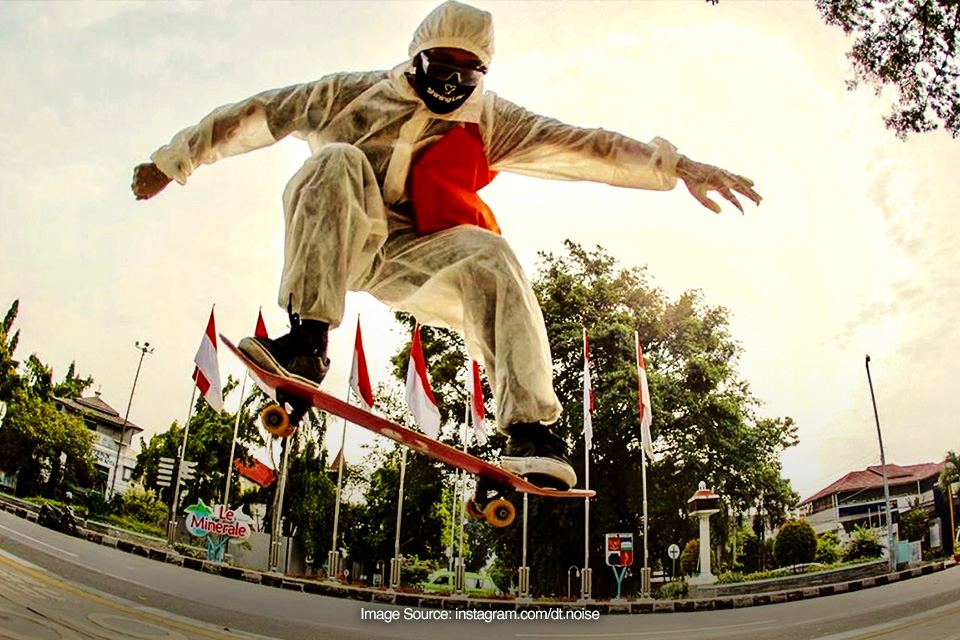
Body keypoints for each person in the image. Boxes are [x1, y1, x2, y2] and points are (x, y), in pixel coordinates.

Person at [131, 0, 760, 491]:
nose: (452, 85)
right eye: (440, 69)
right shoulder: (345, 94)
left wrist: (679, 167)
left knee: (491, 253)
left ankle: (530, 428)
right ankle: (306, 342)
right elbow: (255, 112)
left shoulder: (492, 119)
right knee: (337, 163)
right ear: (415, 60)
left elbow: (584, 143)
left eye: (467, 74)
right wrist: (174, 159)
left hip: (418, 256)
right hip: (341, 238)